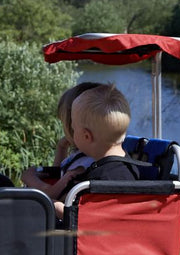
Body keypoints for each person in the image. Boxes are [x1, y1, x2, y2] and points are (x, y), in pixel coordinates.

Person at [53, 83, 138, 221]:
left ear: (87, 136)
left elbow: (82, 220)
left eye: (74, 129)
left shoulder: (106, 179)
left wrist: (49, 202)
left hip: (97, 241)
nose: (72, 133)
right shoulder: (125, 167)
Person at [21, 82, 100, 199]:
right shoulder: (88, 156)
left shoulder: (83, 165)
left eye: (63, 122)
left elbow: (52, 193)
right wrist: (61, 148)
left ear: (73, 126)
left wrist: (29, 176)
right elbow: (59, 176)